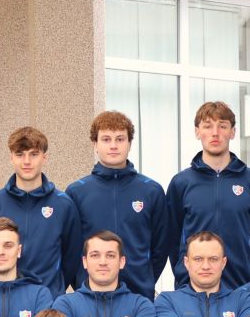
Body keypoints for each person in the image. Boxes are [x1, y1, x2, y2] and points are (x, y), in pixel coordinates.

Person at [66, 111, 172, 300]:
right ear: (95, 144)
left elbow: (161, 247)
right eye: (106, 139)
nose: (113, 146)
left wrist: (144, 279)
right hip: (90, 296)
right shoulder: (77, 192)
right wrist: (81, 281)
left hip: (138, 295)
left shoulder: (151, 190)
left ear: (129, 143)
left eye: (120, 139)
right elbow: (70, 248)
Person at [167, 101, 250, 290]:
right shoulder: (181, 183)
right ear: (197, 132)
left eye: (222, 126)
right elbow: (171, 240)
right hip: (192, 289)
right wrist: (183, 274)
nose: (215, 133)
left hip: (242, 287)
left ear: (233, 132)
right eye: (208, 126)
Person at [0, 126, 80, 298]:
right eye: (20, 154)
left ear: (44, 157)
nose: (26, 161)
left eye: (33, 154)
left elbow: (72, 257)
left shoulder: (63, 204)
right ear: (11, 157)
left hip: (48, 300)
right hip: (4, 299)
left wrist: (53, 287)